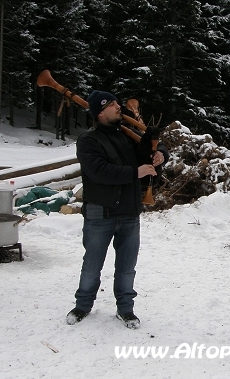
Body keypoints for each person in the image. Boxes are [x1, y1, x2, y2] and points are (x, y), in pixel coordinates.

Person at [66, 90, 169, 329]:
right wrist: (136, 172)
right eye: (112, 105)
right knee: (92, 265)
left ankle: (126, 309)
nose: (118, 107)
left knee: (126, 267)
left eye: (117, 103)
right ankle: (82, 306)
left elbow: (153, 148)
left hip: (130, 213)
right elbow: (99, 171)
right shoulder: (88, 141)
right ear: (100, 112)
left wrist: (160, 154)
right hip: (99, 213)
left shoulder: (126, 136)